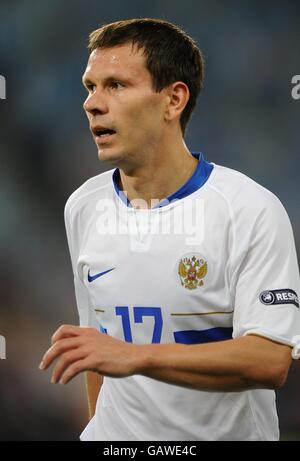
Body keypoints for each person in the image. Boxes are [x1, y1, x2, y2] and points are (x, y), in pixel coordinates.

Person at [39, 18, 300, 441]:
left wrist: (135, 356)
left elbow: (269, 361)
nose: (92, 104)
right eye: (90, 87)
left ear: (173, 99)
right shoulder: (84, 207)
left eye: (116, 86)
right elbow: (98, 347)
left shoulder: (249, 210)